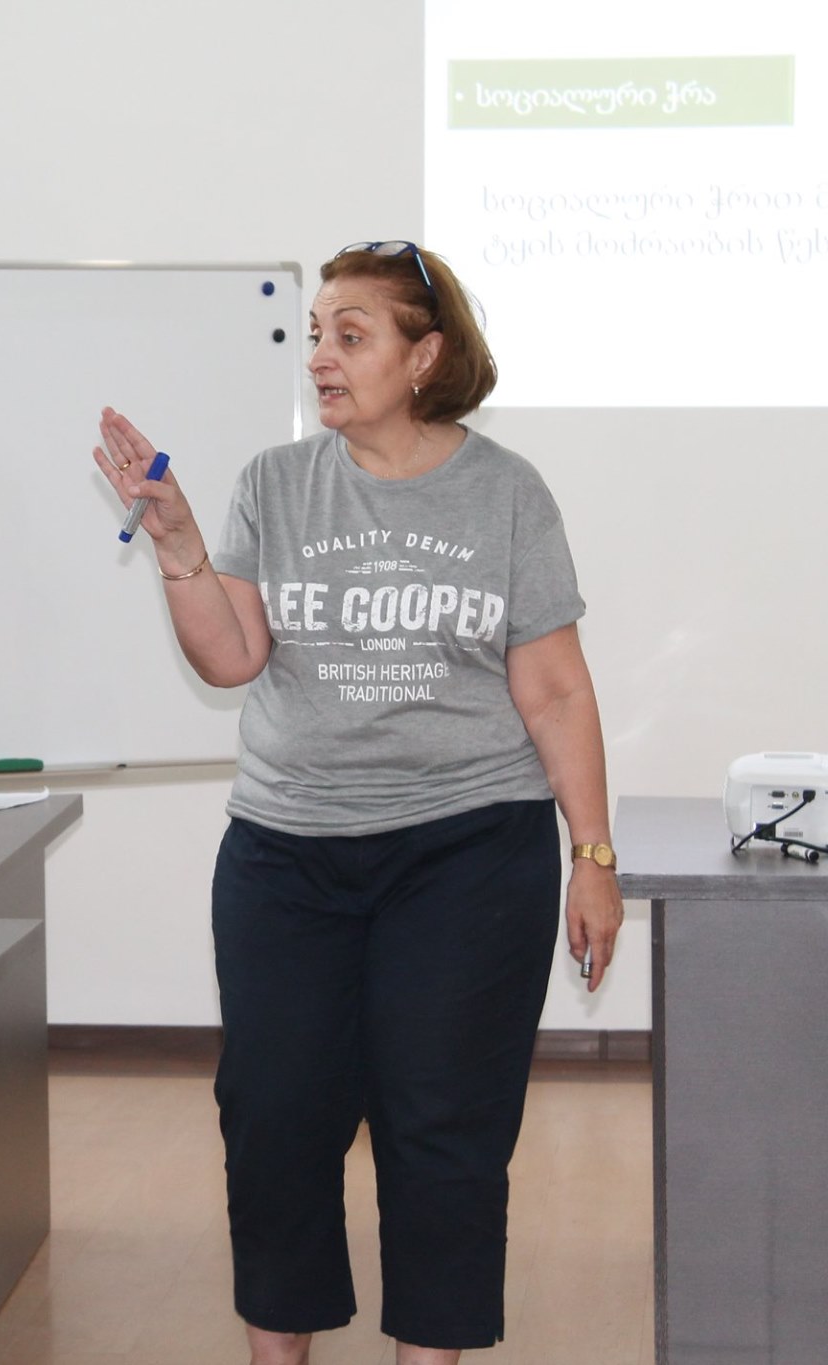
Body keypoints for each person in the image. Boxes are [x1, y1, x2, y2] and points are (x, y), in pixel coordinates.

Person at [94, 241, 623, 1365]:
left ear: (424, 356)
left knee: (444, 1128)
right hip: (288, 851)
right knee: (273, 1122)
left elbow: (556, 689)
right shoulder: (275, 484)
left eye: (350, 335)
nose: (319, 358)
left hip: (469, 853)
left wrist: (593, 856)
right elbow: (231, 659)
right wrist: (179, 544)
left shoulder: (506, 493)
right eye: (313, 336)